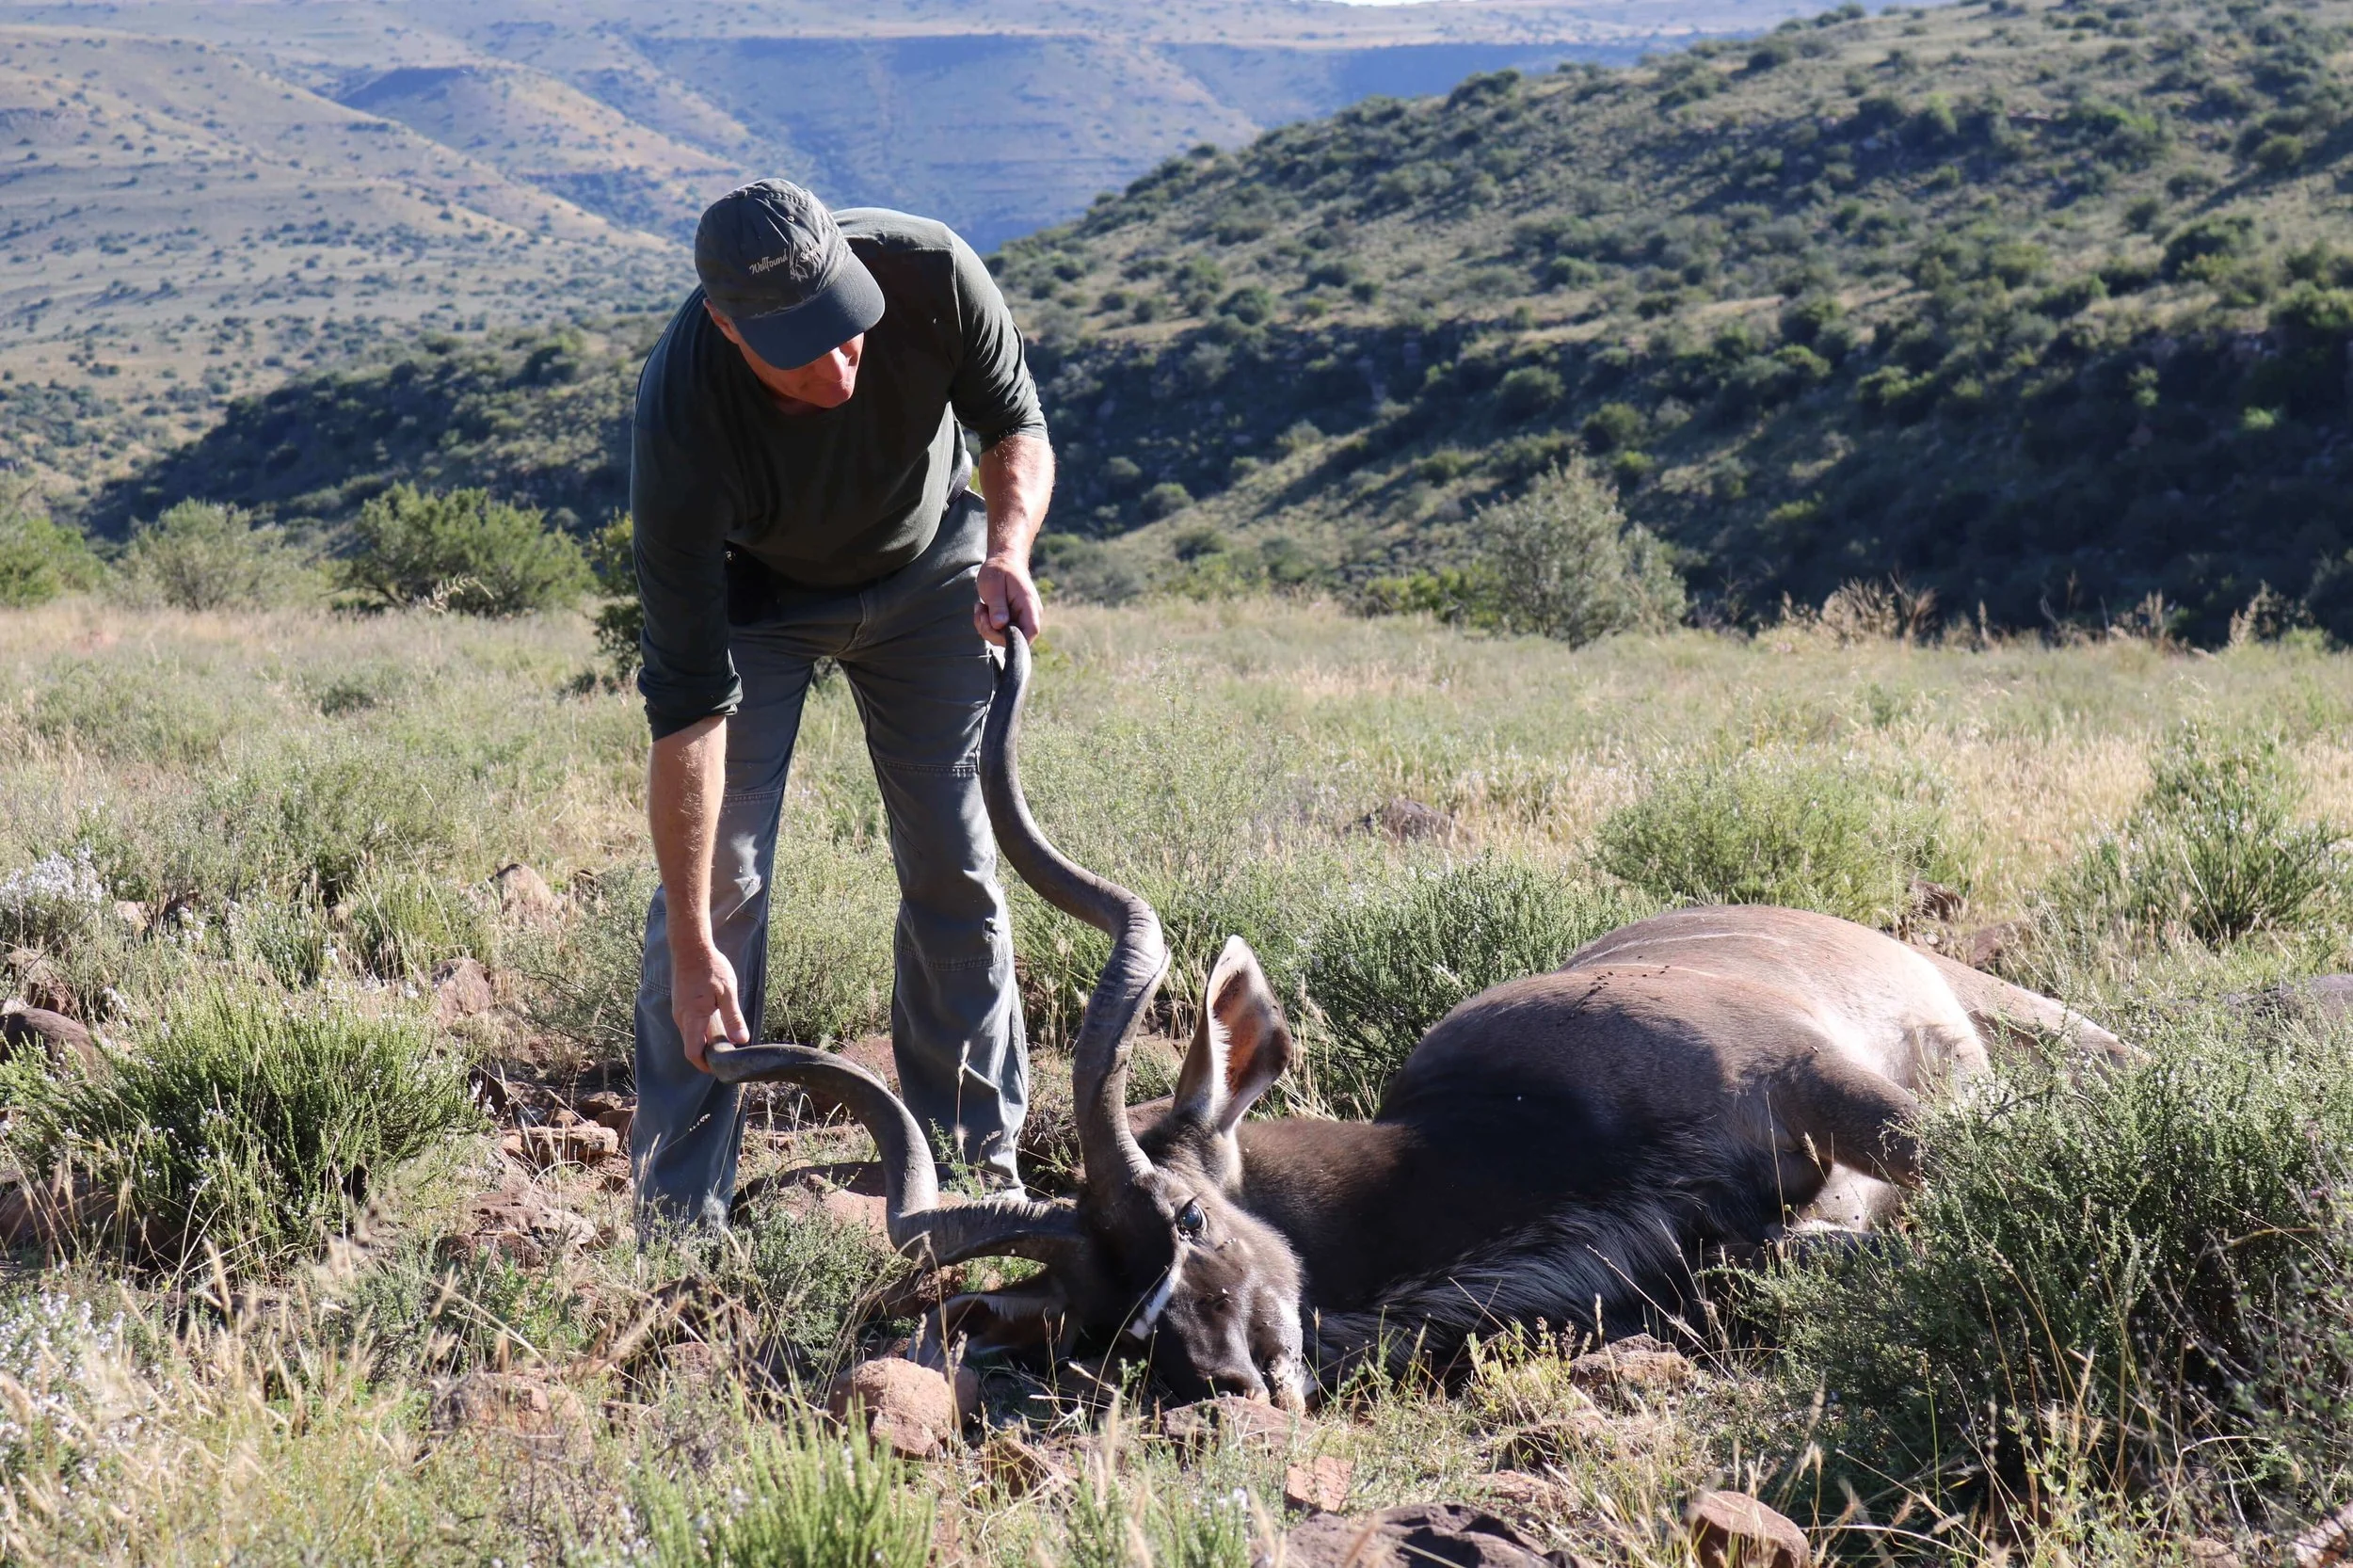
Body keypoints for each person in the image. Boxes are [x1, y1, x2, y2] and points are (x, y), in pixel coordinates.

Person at [627, 178, 1052, 1228]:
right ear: (728, 326)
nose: (841, 359)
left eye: (846, 322)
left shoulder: (931, 270)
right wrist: (691, 952)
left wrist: (1007, 549)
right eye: (802, 343)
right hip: (761, 600)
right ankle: (679, 1220)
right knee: (718, 885)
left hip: (932, 570)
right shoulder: (681, 418)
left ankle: (967, 1185)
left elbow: (1015, 422)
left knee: (955, 861)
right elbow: (686, 712)